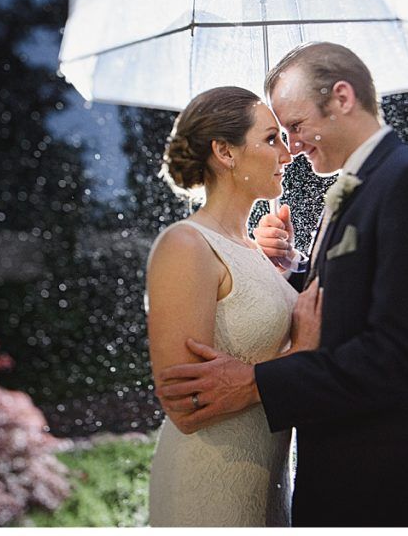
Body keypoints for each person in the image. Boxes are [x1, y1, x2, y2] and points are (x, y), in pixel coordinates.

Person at [155, 42, 408, 526]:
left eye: (296, 127)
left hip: (386, 481)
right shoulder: (359, 187)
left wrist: (259, 381)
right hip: (326, 477)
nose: (293, 147)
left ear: (342, 98)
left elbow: (403, 352)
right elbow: (343, 299)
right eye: (278, 135)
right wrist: (288, 271)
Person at [145, 86, 322, 527]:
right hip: (209, 486)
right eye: (271, 139)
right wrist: (300, 354)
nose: (288, 152)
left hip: (266, 483)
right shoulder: (184, 245)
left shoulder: (251, 247)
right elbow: (186, 407)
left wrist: (280, 269)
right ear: (225, 152)